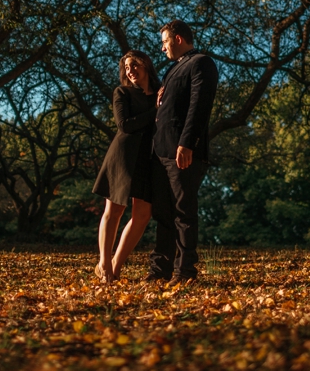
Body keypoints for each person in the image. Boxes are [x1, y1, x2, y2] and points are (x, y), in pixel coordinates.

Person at [146, 20, 218, 285]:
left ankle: (185, 272)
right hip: (160, 151)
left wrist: (187, 143)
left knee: (183, 212)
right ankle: (159, 270)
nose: (162, 47)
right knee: (163, 214)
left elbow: (200, 105)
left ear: (177, 39)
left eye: (165, 41)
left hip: (182, 150)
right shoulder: (171, 71)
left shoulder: (201, 62)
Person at [92, 50, 162, 282]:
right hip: (123, 154)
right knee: (114, 212)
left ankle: (115, 265)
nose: (130, 71)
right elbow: (125, 125)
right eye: (127, 67)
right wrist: (155, 112)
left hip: (148, 157)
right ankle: (105, 264)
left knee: (143, 214)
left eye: (134, 65)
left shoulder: (162, 93)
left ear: (146, 65)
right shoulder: (122, 92)